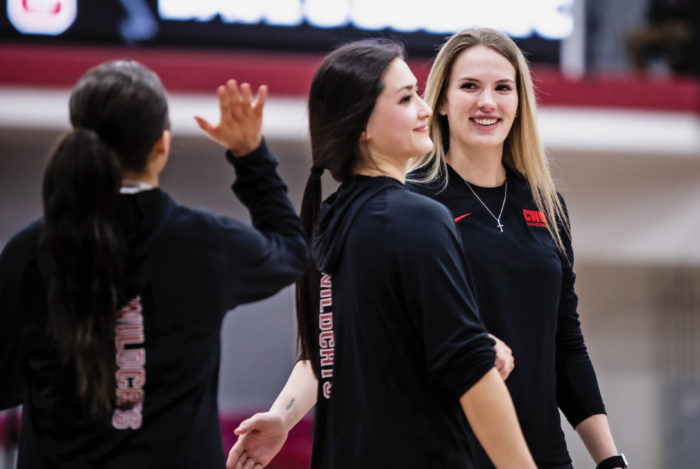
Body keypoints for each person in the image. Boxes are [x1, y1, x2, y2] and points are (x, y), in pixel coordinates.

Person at [227, 39, 536, 469]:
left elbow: (328, 351)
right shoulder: (416, 219)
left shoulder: (334, 217)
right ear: (363, 127)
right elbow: (473, 374)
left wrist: (282, 415)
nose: (425, 109)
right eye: (407, 98)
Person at [0, 60, 308, 468]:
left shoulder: (28, 250)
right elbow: (290, 250)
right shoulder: (203, 243)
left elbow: (3, 386)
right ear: (162, 145)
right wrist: (250, 155)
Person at [407, 28, 628, 469]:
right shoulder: (412, 204)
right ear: (443, 102)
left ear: (519, 104)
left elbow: (565, 343)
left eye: (502, 88)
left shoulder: (546, 204)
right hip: (448, 453)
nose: (487, 101)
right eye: (470, 86)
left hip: (543, 455)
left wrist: (610, 461)